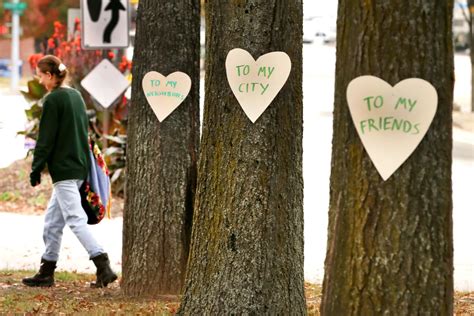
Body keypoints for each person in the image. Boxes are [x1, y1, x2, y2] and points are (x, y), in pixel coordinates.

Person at [22, 55, 117, 288]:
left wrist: (36, 168)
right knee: (52, 222)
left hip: (64, 170)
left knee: (75, 220)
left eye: (40, 74)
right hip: (79, 166)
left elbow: (45, 139)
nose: (38, 78)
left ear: (50, 75)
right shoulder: (75, 96)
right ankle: (46, 271)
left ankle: (102, 264)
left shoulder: (53, 100)